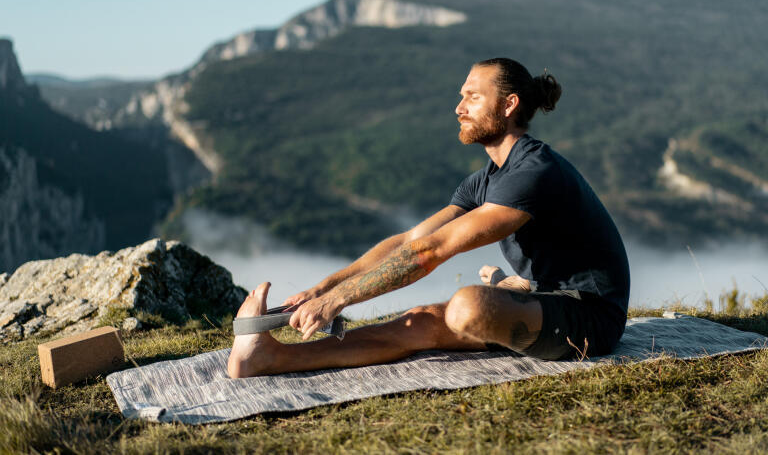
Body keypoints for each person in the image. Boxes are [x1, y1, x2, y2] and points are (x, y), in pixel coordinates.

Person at [227, 57, 630, 378]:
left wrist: (340, 300)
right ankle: (270, 358)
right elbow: (411, 240)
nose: (459, 108)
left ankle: (510, 298)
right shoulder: (483, 181)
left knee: (468, 307)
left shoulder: (533, 171)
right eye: (461, 96)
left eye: (473, 97)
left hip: (591, 315)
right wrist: (324, 288)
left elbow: (433, 250)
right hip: (545, 297)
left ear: (509, 105)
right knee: (417, 321)